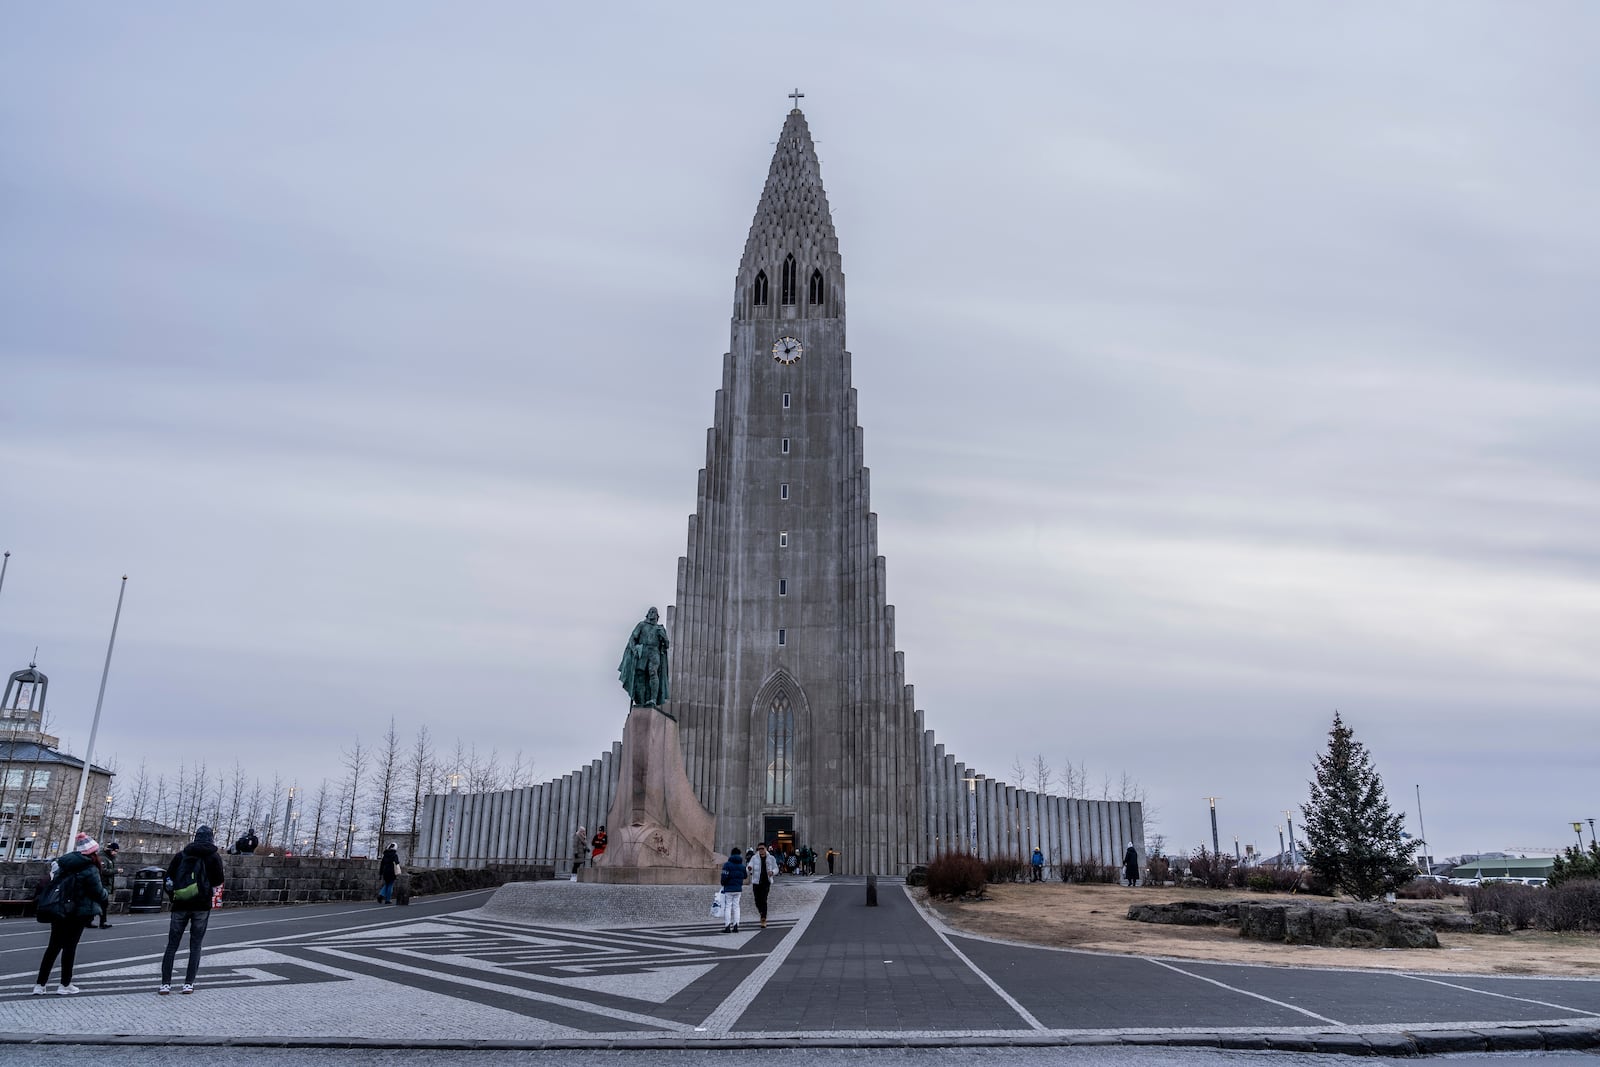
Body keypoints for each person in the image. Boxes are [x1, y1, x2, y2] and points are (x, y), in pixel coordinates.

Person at [34, 833, 108, 995]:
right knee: (70, 948)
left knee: (53, 947)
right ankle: (65, 984)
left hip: (59, 909)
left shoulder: (64, 864)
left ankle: (40, 985)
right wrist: (105, 894)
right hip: (78, 913)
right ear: (92, 853)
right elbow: (97, 892)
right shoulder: (90, 869)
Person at [161, 825, 226, 995]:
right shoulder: (213, 857)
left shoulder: (181, 855)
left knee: (172, 945)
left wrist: (174, 896)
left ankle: (165, 984)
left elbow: (168, 878)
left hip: (180, 905)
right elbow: (218, 879)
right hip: (201, 906)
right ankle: (188, 983)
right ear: (211, 838)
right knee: (195, 945)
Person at [618, 607, 671, 708]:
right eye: (650, 612)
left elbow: (667, 645)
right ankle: (641, 701)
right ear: (647, 614)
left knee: (653, 672)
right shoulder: (642, 625)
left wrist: (663, 637)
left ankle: (653, 699)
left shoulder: (660, 628)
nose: (652, 613)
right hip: (643, 651)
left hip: (654, 652)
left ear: (657, 616)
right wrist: (634, 650)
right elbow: (632, 639)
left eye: (654, 612)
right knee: (640, 675)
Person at [748, 842, 778, 929]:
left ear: (766, 849)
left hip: (766, 881)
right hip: (756, 881)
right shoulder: (754, 858)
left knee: (764, 899)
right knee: (757, 900)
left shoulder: (771, 858)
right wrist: (749, 868)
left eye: (762, 848)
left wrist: (772, 872)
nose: (760, 850)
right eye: (759, 849)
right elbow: (749, 865)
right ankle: (761, 912)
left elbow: (776, 868)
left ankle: (763, 919)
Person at [718, 848, 747, 933]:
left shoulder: (727, 865)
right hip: (738, 889)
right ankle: (736, 926)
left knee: (728, 907)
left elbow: (724, 876)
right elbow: (745, 876)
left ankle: (727, 926)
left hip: (729, 888)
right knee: (736, 907)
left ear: (731, 854)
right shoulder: (742, 866)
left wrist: (723, 883)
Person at [97, 841, 120, 927]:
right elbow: (103, 871)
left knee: (97, 903)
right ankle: (103, 922)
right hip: (102, 884)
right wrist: (116, 871)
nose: (116, 853)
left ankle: (90, 921)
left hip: (104, 884)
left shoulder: (109, 858)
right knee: (103, 903)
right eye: (115, 851)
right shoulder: (103, 858)